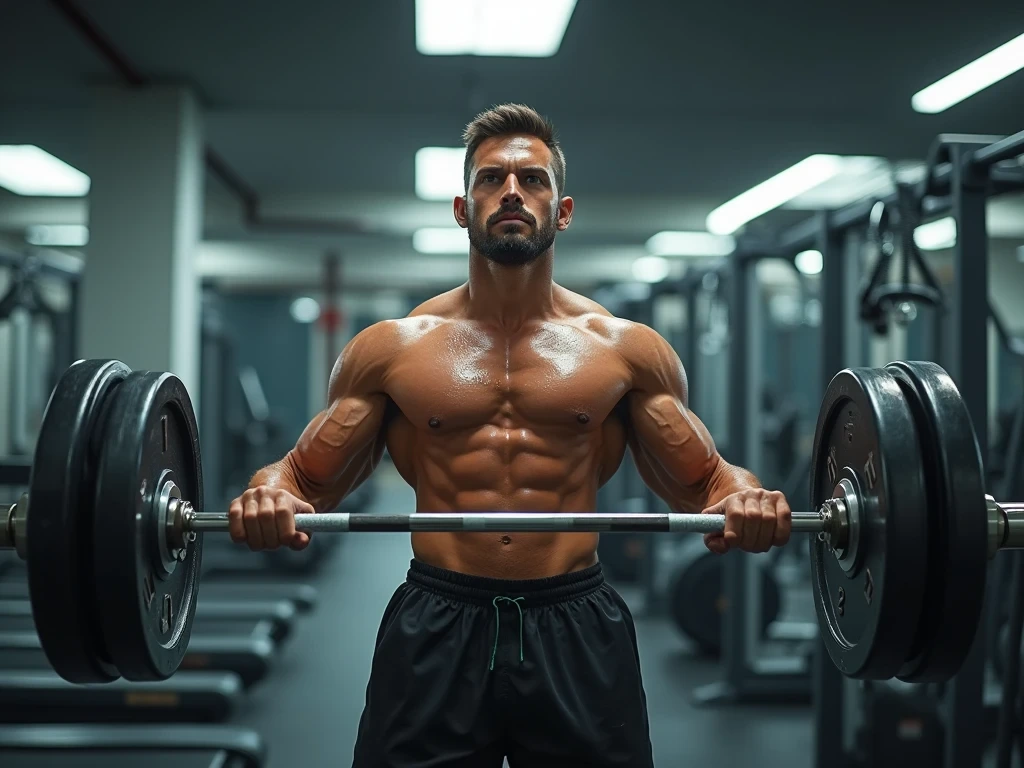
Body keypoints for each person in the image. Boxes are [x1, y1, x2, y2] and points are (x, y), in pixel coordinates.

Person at [227, 103, 793, 767]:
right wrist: (268, 493)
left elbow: (708, 480)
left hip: (574, 619)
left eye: (533, 179)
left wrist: (746, 496)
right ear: (463, 209)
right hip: (437, 619)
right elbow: (301, 477)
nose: (513, 192)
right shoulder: (393, 350)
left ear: (564, 210)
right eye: (492, 178)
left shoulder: (624, 350)